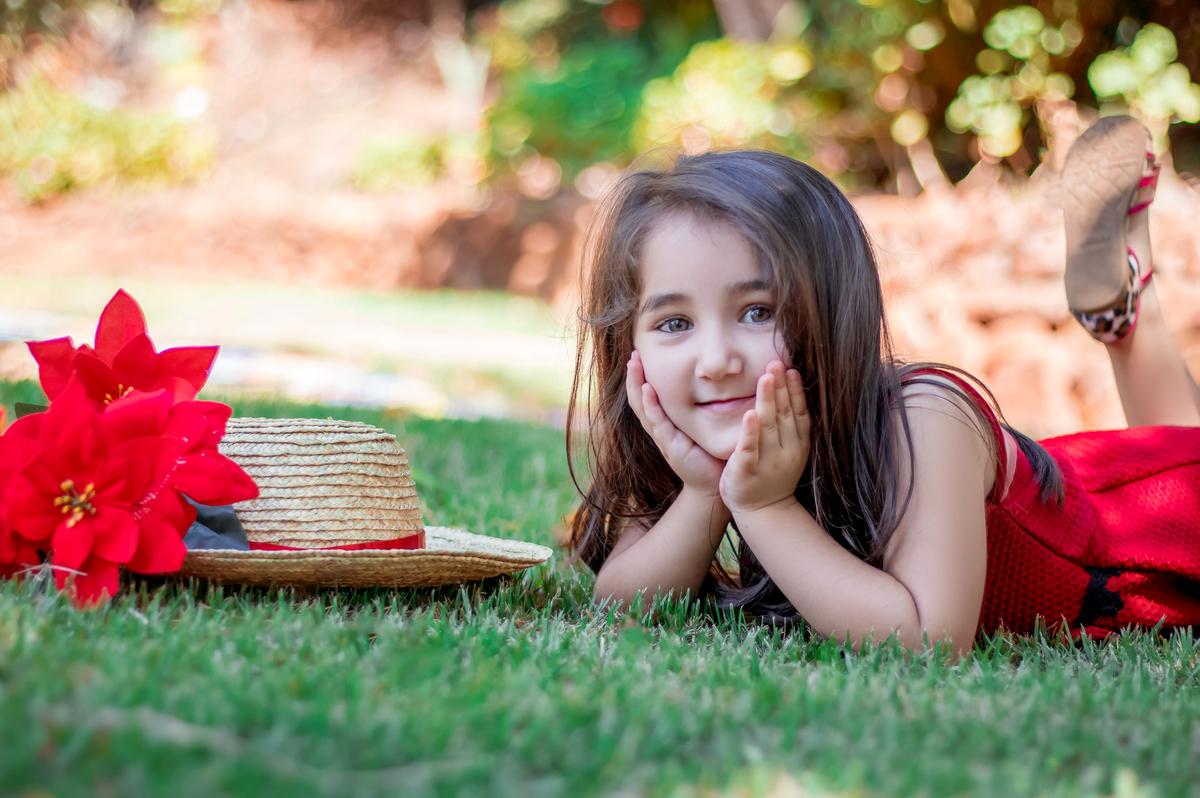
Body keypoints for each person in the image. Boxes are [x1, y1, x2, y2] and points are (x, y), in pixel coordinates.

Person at [565, 116, 1200, 656]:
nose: (715, 360)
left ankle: (1128, 315)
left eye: (758, 311)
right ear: (631, 347)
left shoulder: (927, 419)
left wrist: (762, 508)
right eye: (674, 322)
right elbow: (622, 602)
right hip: (1074, 487)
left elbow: (926, 641)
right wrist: (707, 494)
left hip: (1142, 537)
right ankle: (1125, 313)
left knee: (1185, 458)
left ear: (833, 310)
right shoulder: (682, 433)